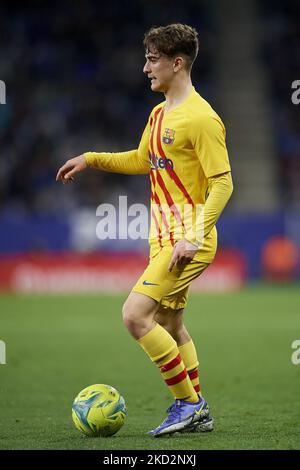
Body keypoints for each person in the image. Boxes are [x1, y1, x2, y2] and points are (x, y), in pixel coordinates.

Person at [56, 23, 233, 437]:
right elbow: (142, 159)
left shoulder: (203, 118)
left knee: (135, 315)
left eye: (153, 60)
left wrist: (194, 235)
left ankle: (188, 403)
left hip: (189, 238)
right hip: (165, 239)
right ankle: (198, 414)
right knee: (170, 323)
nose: (145, 68)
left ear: (177, 62)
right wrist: (91, 158)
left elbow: (223, 182)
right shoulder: (159, 113)